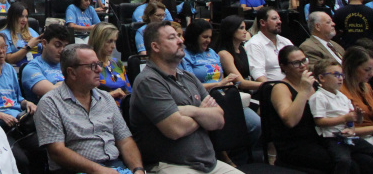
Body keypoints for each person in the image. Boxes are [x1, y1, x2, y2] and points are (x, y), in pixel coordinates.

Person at [130, 21, 236, 174]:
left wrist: (191, 111)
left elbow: (219, 120)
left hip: (209, 164)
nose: (181, 41)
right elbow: (175, 129)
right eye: (172, 37)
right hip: (170, 166)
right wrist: (202, 112)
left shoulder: (188, 77)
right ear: (155, 47)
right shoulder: (148, 81)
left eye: (179, 36)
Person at [36, 43, 147, 174]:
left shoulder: (106, 98)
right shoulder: (50, 103)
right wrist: (100, 170)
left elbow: (125, 140)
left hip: (115, 166)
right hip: (75, 170)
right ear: (72, 73)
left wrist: (138, 169)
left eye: (98, 64)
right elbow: (57, 152)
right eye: (92, 66)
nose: (99, 70)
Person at [310, 58, 373, 174]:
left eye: (341, 75)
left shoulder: (342, 96)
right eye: (336, 75)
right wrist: (345, 118)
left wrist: (358, 117)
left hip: (349, 136)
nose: (340, 78)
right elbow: (319, 121)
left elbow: (353, 121)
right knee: (344, 161)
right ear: (322, 78)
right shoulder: (319, 97)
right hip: (332, 138)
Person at [269, 45, 339, 173]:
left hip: (320, 137)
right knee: (337, 161)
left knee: (365, 160)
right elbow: (290, 121)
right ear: (284, 67)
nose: (302, 65)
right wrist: (303, 91)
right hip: (296, 144)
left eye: (304, 60)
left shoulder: (315, 84)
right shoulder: (280, 88)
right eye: (296, 63)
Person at [340, 46, 373, 153]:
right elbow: (342, 130)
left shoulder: (366, 87)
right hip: (356, 138)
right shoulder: (340, 91)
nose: (372, 74)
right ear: (352, 67)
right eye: (367, 70)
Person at [21, 23, 71, 104]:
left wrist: (59, 85)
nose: (62, 50)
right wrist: (71, 84)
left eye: (65, 46)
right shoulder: (32, 68)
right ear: (44, 43)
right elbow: (53, 93)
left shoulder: (69, 64)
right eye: (57, 45)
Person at [215, 15, 262, 94]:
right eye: (241, 28)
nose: (245, 31)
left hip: (249, 91)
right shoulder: (224, 54)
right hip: (237, 93)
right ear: (231, 30)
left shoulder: (243, 49)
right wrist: (267, 84)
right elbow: (241, 83)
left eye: (245, 28)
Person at [246, 6, 292, 82]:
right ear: (262, 22)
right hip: (272, 89)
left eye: (279, 19)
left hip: (294, 85)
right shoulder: (255, 44)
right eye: (274, 19)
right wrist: (272, 88)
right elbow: (258, 74)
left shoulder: (285, 41)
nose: (279, 22)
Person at [90, 23, 131, 104]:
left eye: (115, 41)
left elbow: (129, 91)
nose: (113, 46)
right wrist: (111, 95)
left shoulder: (117, 63)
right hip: (102, 110)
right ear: (99, 41)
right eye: (109, 41)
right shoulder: (89, 65)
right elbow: (87, 98)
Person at [0, 2, 41, 66]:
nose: (24, 20)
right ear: (13, 17)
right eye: (21, 16)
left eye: (26, 16)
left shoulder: (31, 31)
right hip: (20, 67)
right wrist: (28, 46)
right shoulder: (4, 35)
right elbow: (9, 59)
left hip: (39, 63)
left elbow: (42, 50)